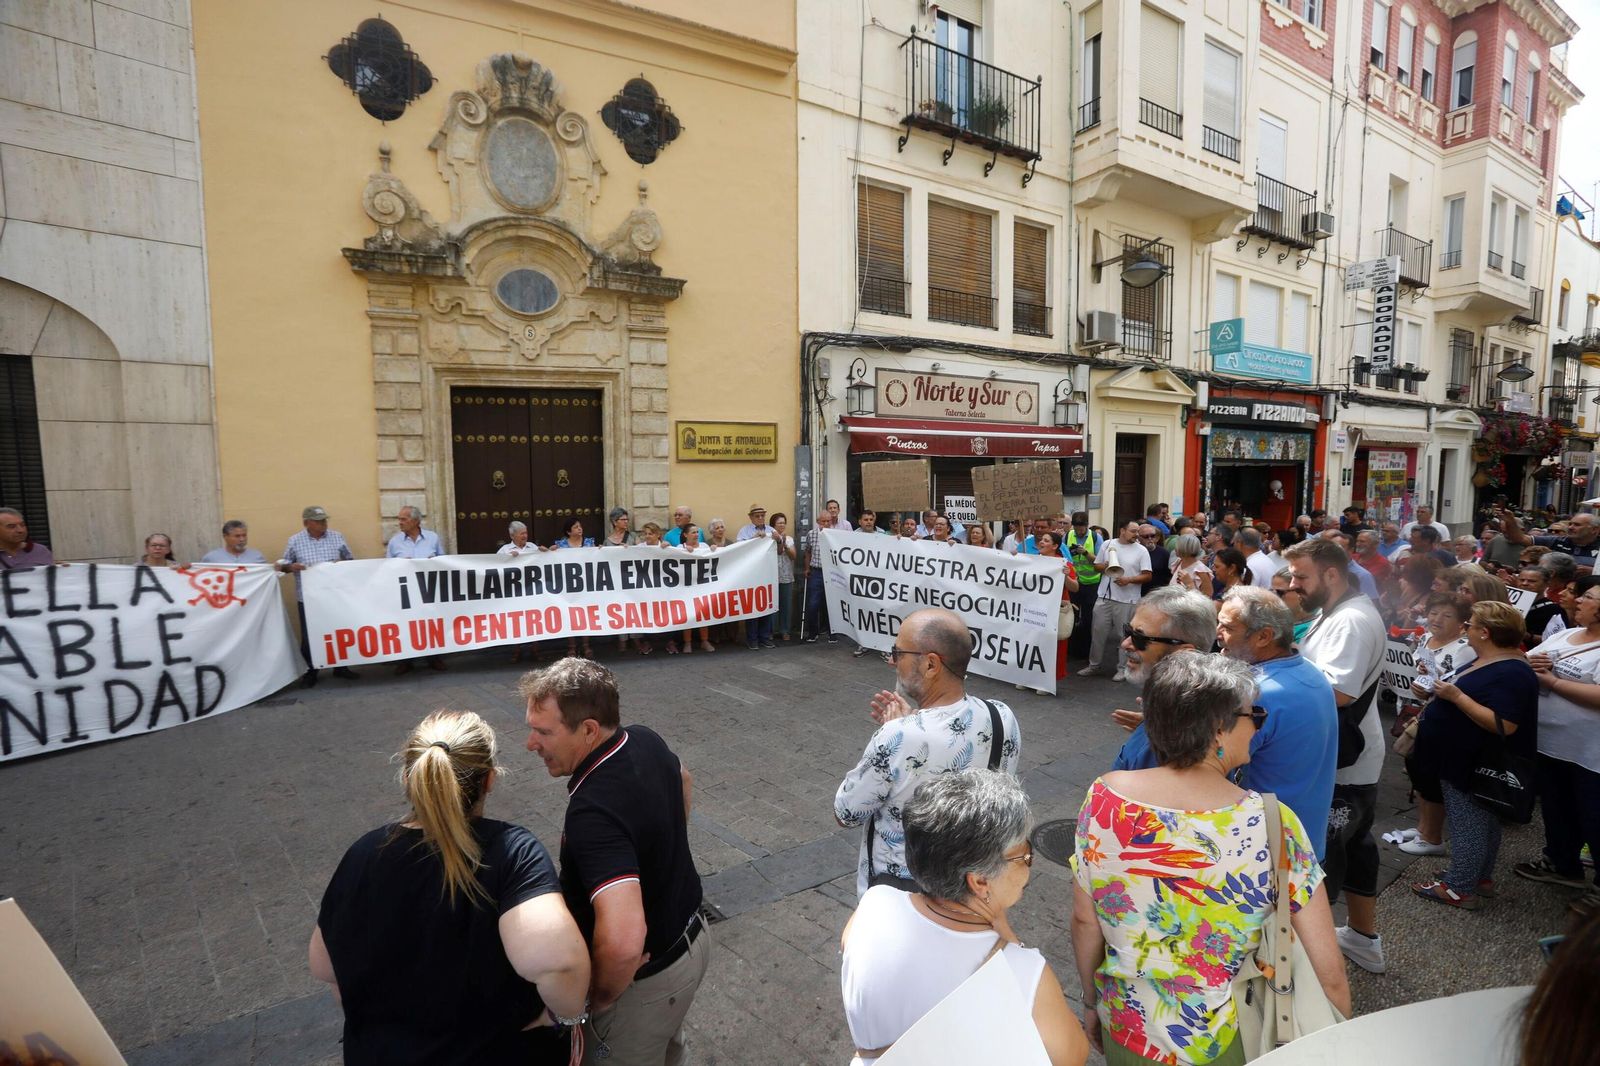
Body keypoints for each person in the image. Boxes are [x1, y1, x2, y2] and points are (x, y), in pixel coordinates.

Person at [1071, 652, 1351, 1066]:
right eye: (1254, 714)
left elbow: (1085, 921)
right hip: (1227, 1040)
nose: (1258, 725)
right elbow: (1328, 971)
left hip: (1129, 1028)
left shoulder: (1104, 798)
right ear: (1220, 728)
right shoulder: (1273, 823)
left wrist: (1091, 1002)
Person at [310, 710, 590, 1063]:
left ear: (409, 778)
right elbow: (561, 964)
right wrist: (562, 1017)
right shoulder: (512, 853)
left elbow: (324, 966)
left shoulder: (362, 854)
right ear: (489, 780)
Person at [521, 659, 709, 1066]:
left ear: (589, 730)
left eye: (544, 732)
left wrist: (597, 997)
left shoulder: (591, 813)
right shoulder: (644, 738)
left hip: (646, 986)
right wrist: (662, 853)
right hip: (693, 943)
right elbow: (683, 778)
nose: (530, 743)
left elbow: (624, 942)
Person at [841, 771, 1088, 1066]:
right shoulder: (1024, 974)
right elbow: (1073, 1055)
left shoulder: (873, 905)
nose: (1028, 866)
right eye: (1025, 856)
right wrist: (1009, 940)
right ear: (980, 881)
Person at [834, 608, 1021, 894]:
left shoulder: (898, 736)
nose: (892, 661)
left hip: (904, 896)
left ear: (931, 664)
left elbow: (846, 813)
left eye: (898, 653)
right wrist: (910, 725)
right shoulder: (1002, 716)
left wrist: (896, 732)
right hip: (971, 890)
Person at [1284, 538, 1387, 973]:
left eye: (1300, 576)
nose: (1294, 584)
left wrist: (1274, 683)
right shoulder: (1337, 611)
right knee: (1357, 848)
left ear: (1331, 574)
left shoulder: (1351, 620)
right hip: (1349, 758)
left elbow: (1339, 692)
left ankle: (1314, 970)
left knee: (1321, 862)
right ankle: (1362, 940)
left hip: (1345, 760)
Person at [1411, 602, 1540, 909]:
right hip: (1464, 756)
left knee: (1468, 823)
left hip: (1476, 761)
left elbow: (1504, 723)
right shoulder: (1490, 660)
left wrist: (1456, 696)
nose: (1465, 629)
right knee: (1482, 821)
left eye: (1469, 625)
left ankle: (1459, 887)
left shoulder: (1511, 671)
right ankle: (1477, 876)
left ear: (1485, 632)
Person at [1217, 586, 1340, 858]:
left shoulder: (1256, 694)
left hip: (1263, 850)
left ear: (1264, 636)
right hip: (1302, 842)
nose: (1218, 633)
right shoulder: (1310, 671)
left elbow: (1213, 767)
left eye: (1228, 627)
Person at [1517, 575, 1600, 912]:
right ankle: (1562, 864)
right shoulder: (1565, 634)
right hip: (1551, 744)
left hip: (1590, 753)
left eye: (1589, 597)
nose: (1578, 600)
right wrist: (1530, 664)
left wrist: (1552, 682)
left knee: (1594, 816)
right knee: (1557, 807)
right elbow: (1524, 661)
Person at [1395, 593, 1477, 858]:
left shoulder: (1465, 649)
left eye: (1447, 615)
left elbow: (1461, 686)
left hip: (1444, 720)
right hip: (1420, 715)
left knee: (1431, 777)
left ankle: (1432, 836)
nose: (1437, 619)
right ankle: (1422, 828)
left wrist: (1432, 688)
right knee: (1417, 772)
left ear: (1462, 622)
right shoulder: (1425, 638)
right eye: (1433, 612)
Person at [1108, 587, 1220, 771]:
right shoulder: (1181, 715)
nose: (1125, 643)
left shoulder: (1178, 740)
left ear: (1183, 652)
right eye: (1128, 631)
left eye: (1140, 637)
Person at [281, 505, 358, 688]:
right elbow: (283, 566)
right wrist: (291, 567)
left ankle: (341, 667)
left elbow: (350, 560)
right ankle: (310, 672)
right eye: (318, 521)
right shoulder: (295, 541)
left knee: (338, 631)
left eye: (324, 520)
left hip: (335, 596)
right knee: (310, 636)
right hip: (308, 599)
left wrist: (341, 564)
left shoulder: (337, 537)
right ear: (306, 523)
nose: (323, 523)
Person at [1081, 521, 1152, 681]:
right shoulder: (1107, 544)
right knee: (1097, 633)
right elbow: (1096, 567)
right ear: (1122, 530)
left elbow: (1148, 575)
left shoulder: (1141, 550)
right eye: (1133, 531)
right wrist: (1105, 567)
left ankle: (1122, 668)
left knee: (1124, 636)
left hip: (1127, 599)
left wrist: (1129, 580)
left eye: (1137, 531)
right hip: (1104, 597)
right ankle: (1094, 665)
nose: (1136, 534)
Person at [387, 506, 449, 674]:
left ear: (415, 521)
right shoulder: (394, 542)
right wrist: (400, 565)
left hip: (428, 589)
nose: (400, 522)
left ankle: (434, 657)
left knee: (430, 622)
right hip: (405, 591)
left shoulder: (432, 538)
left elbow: (443, 561)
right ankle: (406, 660)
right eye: (399, 519)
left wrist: (433, 562)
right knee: (406, 623)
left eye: (403, 519)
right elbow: (387, 567)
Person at [1031, 531, 1080, 694]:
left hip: (1056, 609)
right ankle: (1029, 677)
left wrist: (1066, 576)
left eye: (1046, 540)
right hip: (1036, 607)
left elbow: (1075, 587)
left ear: (1055, 546)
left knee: (1053, 646)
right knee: (1033, 642)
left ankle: (1047, 681)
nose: (1041, 542)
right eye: (1041, 540)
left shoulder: (1064, 564)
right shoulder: (1033, 560)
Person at [1064, 513, 1103, 660]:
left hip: (1091, 583)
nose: (1079, 531)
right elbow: (1064, 556)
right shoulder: (1068, 536)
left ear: (1087, 525)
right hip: (1074, 582)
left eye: (1082, 528)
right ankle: (1071, 649)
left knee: (1088, 618)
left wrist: (1085, 553)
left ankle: (1085, 651)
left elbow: (1100, 561)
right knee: (1071, 616)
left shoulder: (1096, 537)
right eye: (1076, 528)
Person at [673, 525, 713, 654]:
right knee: (688, 614)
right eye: (693, 532)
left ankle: (704, 641)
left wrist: (714, 550)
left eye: (697, 532)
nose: (696, 535)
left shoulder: (704, 546)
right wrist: (684, 551)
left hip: (702, 585)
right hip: (686, 586)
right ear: (685, 535)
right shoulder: (680, 547)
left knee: (703, 614)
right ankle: (687, 642)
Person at [804, 510, 838, 643]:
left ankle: (832, 633)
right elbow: (808, 552)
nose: (826, 523)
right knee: (813, 604)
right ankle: (813, 633)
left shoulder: (836, 534)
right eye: (823, 521)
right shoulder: (811, 534)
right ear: (818, 522)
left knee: (832, 605)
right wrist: (807, 568)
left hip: (832, 572)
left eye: (828, 521)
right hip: (816, 572)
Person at [770, 512, 797, 641]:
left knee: (786, 604)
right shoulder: (768, 539)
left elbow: (793, 556)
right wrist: (778, 541)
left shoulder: (789, 539)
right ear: (773, 525)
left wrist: (785, 544)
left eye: (783, 522)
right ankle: (771, 630)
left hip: (786, 576)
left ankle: (785, 630)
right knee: (772, 605)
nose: (782, 525)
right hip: (771, 576)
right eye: (779, 523)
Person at [1272, 567, 1315, 643]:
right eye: (1272, 592)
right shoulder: (1274, 622)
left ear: (1301, 592)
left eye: (1279, 593)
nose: (1274, 598)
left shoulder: (1313, 628)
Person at [200, 519, 270, 564]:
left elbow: (265, 576)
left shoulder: (257, 557)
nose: (242, 539)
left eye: (244, 535)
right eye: (237, 536)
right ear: (225, 536)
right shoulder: (212, 558)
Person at [1168, 533, 1215, 597]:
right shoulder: (1179, 562)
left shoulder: (1201, 570)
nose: (1175, 549)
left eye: (1177, 546)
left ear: (1184, 548)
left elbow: (1208, 596)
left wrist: (1189, 584)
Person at [1139, 524, 1171, 592]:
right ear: (1139, 538)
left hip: (1156, 592)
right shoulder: (1135, 551)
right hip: (1137, 591)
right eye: (1146, 536)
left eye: (1153, 536)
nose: (1150, 539)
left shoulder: (1164, 553)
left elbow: (1168, 575)